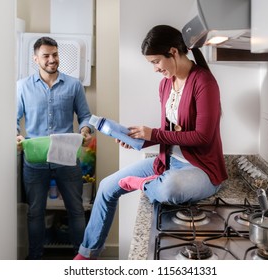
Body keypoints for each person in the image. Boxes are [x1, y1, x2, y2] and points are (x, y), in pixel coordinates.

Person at [73, 25, 228, 260]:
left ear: (174, 52)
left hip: (202, 169)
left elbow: (202, 136)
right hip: (168, 161)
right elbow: (168, 133)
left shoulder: (203, 82)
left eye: (156, 62)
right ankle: (86, 254)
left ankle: (144, 184)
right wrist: (137, 140)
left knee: (169, 188)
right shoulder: (166, 84)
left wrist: (152, 134)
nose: (155, 69)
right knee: (106, 187)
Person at [16, 36, 93, 260]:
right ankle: (35, 260)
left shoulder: (74, 85)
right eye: (46, 56)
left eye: (55, 55)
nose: (52, 59)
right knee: (35, 212)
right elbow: (13, 118)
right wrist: (16, 136)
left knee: (76, 211)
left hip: (67, 157)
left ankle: (81, 260)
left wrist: (85, 130)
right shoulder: (22, 86)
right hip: (35, 159)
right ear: (35, 58)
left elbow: (86, 116)